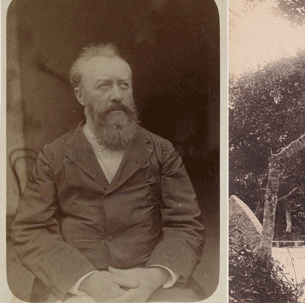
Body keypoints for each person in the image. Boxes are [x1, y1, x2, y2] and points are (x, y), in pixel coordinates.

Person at [11, 44, 205, 302]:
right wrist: (87, 280)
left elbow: (186, 224)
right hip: (76, 281)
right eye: (104, 86)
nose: (117, 95)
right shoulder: (54, 155)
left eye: (124, 85)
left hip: (148, 277)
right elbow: (31, 229)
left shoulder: (161, 150)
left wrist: (153, 277)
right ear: (80, 96)